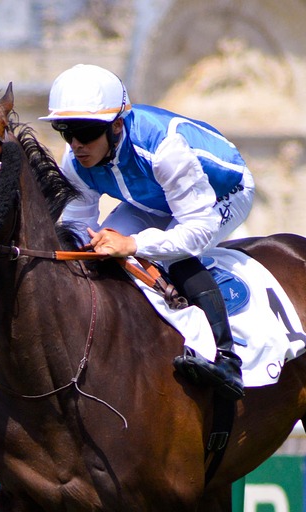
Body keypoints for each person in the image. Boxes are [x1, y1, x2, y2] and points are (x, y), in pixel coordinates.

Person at [39, 64, 255, 401]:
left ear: (116, 126)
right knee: (97, 254)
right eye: (65, 131)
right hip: (153, 200)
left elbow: (197, 230)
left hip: (223, 193)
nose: (77, 144)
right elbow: (75, 225)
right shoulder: (75, 158)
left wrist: (132, 244)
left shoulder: (165, 149)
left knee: (175, 258)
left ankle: (227, 359)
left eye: (85, 131)